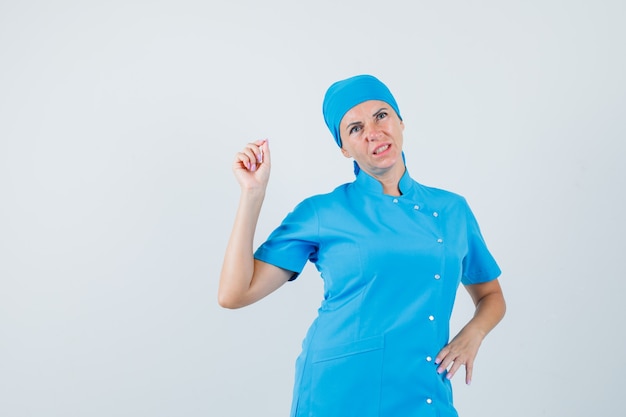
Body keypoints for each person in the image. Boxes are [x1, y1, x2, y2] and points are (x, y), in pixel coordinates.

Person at [219, 74, 506, 417]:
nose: (373, 131)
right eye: (355, 128)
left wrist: (473, 333)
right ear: (343, 148)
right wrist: (253, 194)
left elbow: (491, 295)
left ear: (401, 122)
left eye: (381, 115)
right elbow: (234, 294)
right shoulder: (321, 212)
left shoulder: (451, 209)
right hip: (338, 393)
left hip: (423, 387)